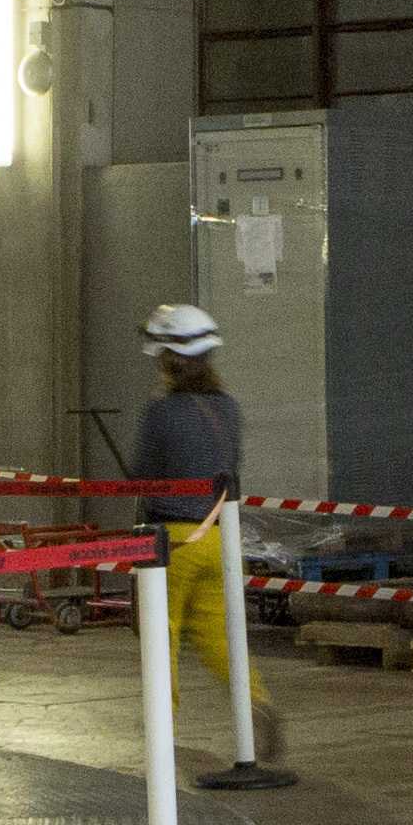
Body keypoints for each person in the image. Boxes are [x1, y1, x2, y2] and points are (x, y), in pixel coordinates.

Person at [129, 300, 281, 758]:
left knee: (162, 634)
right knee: (218, 634)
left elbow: (141, 474)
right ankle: (257, 701)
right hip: (219, 538)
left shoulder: (161, 414)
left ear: (168, 361)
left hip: (169, 543)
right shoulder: (229, 410)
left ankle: (164, 731)